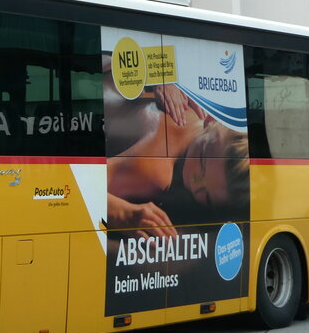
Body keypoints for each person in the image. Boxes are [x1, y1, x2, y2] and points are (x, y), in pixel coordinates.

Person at [104, 83, 248, 236]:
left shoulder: (196, 102)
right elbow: (81, 187)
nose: (193, 183)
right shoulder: (158, 172)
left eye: (206, 196)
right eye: (202, 161)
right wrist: (121, 213)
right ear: (211, 120)